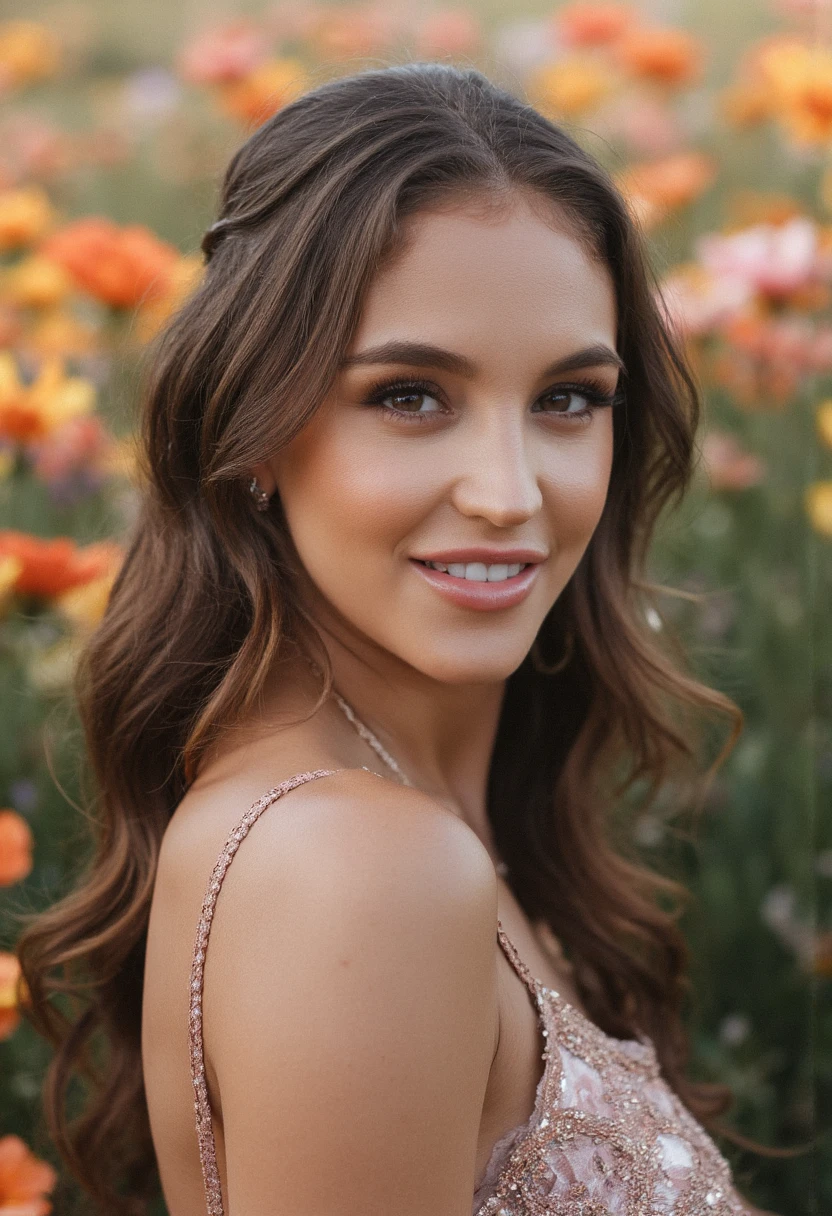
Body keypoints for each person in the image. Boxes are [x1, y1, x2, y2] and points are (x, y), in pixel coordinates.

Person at [16, 63, 762, 1216]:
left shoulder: (401, 817)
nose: (511, 493)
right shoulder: (362, 870)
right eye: (411, 395)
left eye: (568, 398)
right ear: (251, 428)